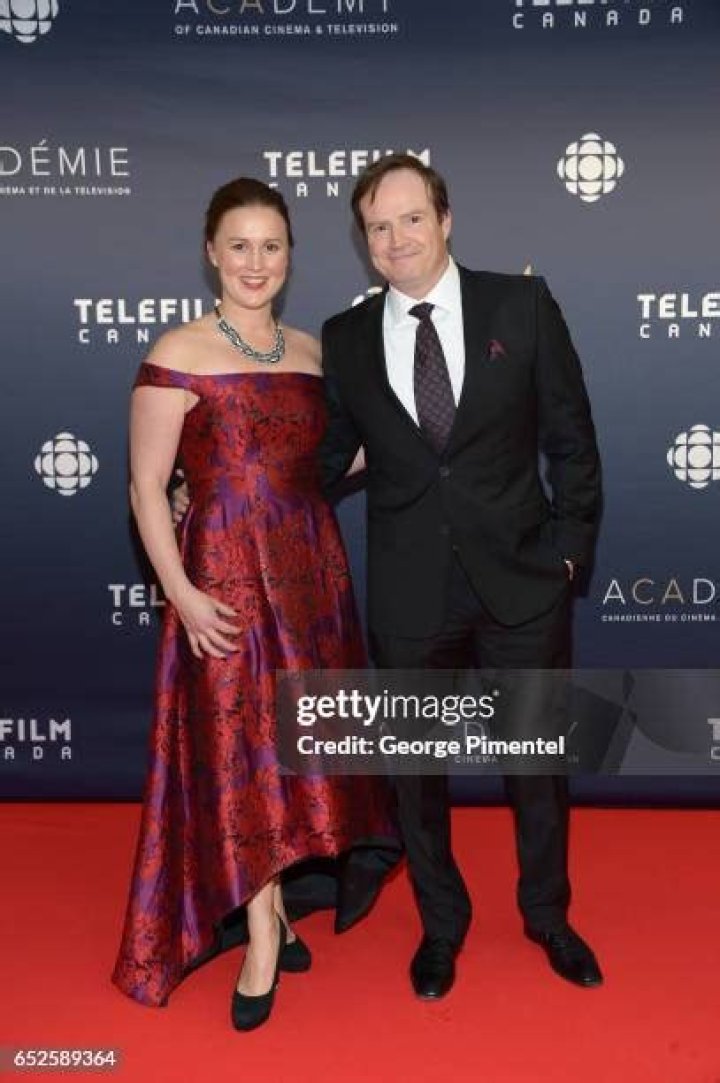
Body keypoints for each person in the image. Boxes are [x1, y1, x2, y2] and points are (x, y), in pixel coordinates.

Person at [111, 177, 399, 1030]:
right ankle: (261, 931)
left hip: (310, 575)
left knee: (294, 746)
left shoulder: (312, 353)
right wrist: (181, 593)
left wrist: (416, 427)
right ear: (211, 252)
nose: (255, 261)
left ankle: (278, 907)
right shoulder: (179, 349)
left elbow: (331, 460)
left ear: (290, 256)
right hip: (223, 580)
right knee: (241, 752)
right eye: (239, 245)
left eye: (271, 245)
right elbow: (145, 485)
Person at [319, 154, 603, 999]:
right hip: (410, 590)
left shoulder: (521, 305)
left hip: (522, 580)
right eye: (378, 226)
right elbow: (328, 456)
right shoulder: (345, 338)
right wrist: (223, 483)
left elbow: (573, 439)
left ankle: (548, 915)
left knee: (536, 765)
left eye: (412, 218)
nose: (397, 238)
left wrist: (568, 552)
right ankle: (441, 924)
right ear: (365, 243)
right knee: (415, 774)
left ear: (445, 219)